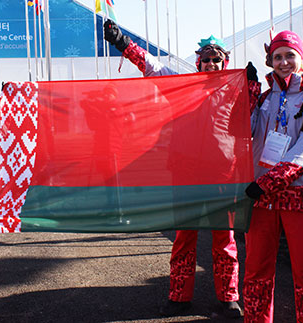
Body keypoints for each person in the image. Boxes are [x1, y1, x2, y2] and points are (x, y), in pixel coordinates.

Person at [103, 20, 245, 318]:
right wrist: (122, 43)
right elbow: (152, 66)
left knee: (225, 239)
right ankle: (179, 296)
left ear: (225, 61)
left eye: (216, 58)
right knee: (184, 237)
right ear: (198, 61)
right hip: (186, 176)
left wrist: (254, 84)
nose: (210, 63)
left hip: (222, 176)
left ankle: (229, 297)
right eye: (205, 58)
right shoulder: (183, 84)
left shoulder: (238, 88)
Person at [244, 30, 303, 322]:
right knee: (256, 271)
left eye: (289, 56)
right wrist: (248, 94)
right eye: (278, 57)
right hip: (262, 197)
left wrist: (270, 181)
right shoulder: (266, 98)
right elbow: (246, 133)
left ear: (301, 59)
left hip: (302, 194)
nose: (283, 62)